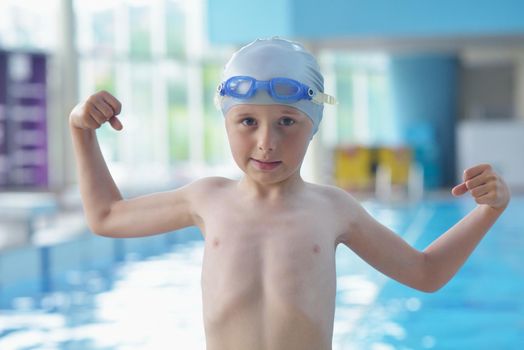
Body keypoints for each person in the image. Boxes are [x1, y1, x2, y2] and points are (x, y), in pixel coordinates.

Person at [69, 37, 511, 350]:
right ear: (225, 122)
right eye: (247, 122)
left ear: (313, 126)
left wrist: (489, 212)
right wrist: (81, 132)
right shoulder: (206, 200)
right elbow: (107, 216)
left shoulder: (334, 209)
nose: (266, 141)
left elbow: (425, 273)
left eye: (287, 121)